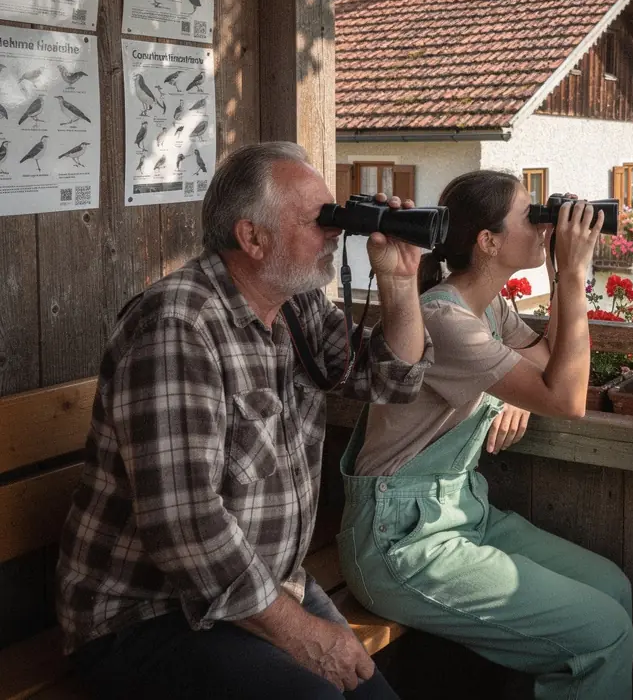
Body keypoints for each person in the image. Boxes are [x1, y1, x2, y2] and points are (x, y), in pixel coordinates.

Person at [56, 142, 432, 700]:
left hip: (263, 588)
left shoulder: (295, 306)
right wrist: (304, 635)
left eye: (336, 216)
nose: (335, 232)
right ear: (252, 238)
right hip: (147, 617)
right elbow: (186, 528)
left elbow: (391, 379)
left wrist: (400, 282)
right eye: (319, 220)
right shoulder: (178, 327)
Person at [337, 171, 633, 700]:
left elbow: (546, 363)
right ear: (488, 241)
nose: (545, 224)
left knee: (610, 587)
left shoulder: (489, 308)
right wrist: (574, 275)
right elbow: (565, 399)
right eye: (532, 215)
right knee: (602, 635)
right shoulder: (444, 318)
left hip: (461, 512)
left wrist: (564, 270)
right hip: (401, 538)